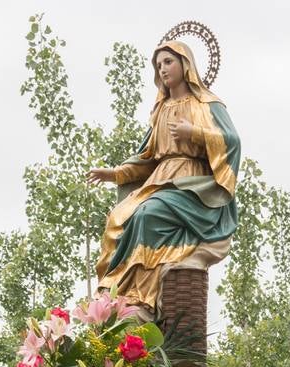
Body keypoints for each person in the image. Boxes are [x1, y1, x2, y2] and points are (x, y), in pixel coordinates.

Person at [87, 40, 240, 312]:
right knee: (118, 219)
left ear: (185, 64)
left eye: (168, 62)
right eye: (159, 65)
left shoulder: (207, 104)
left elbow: (231, 141)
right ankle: (120, 296)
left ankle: (143, 297)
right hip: (160, 180)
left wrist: (194, 133)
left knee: (147, 214)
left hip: (193, 185)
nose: (163, 69)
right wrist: (116, 174)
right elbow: (148, 159)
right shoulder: (160, 110)